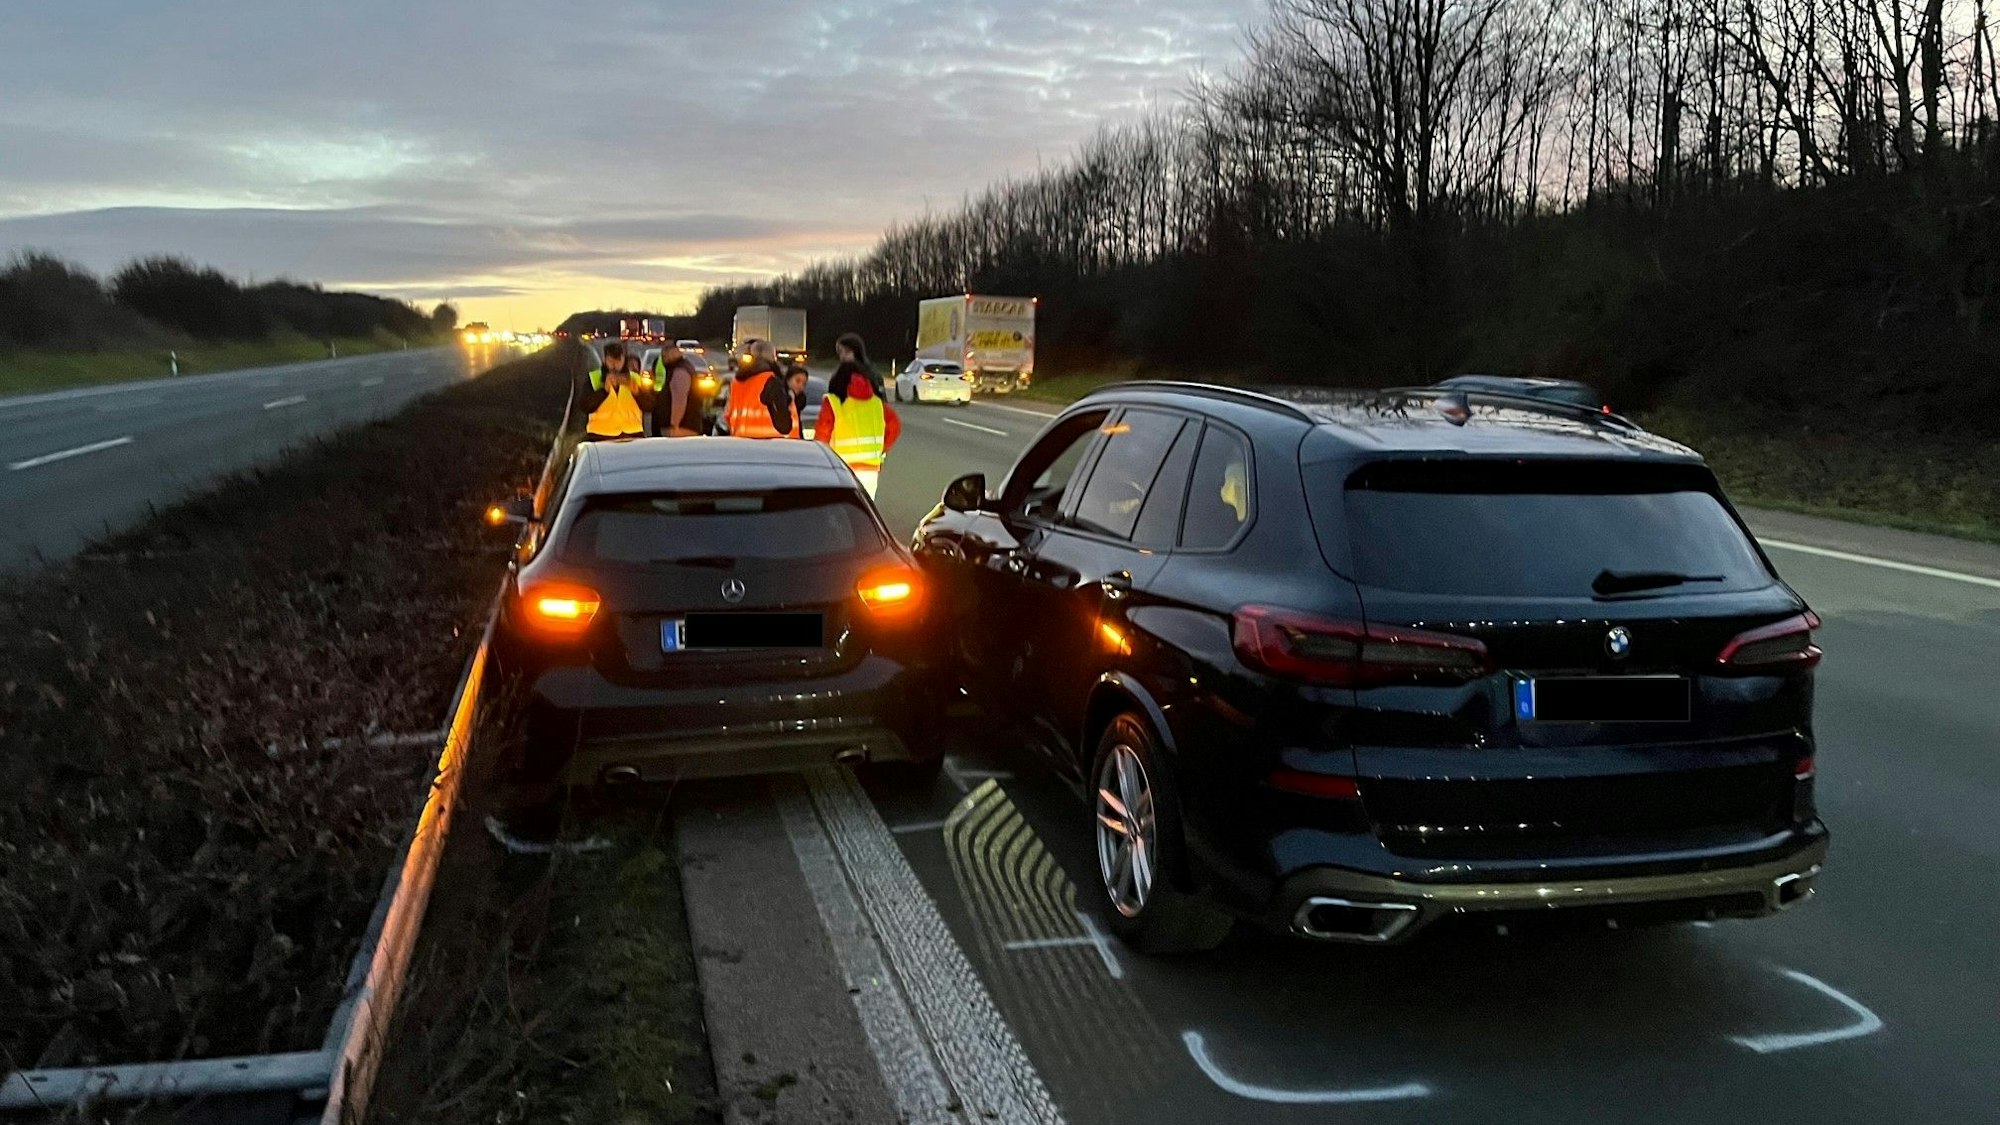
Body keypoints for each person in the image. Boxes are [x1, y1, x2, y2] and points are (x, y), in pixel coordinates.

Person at [815, 334, 900, 496]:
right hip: (870, 465)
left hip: (841, 465)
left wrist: (821, 459)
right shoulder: (875, 394)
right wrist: (879, 448)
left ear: (852, 351)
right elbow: (892, 423)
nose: (841, 356)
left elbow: (823, 432)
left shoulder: (835, 399)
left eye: (842, 352)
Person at [725, 338, 798, 438]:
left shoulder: (736, 382)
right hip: (770, 445)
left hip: (740, 443)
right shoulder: (772, 382)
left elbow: (727, 416)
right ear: (773, 358)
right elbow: (784, 425)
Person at [580, 342, 652, 441]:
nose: (614, 365)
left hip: (632, 435)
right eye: (611, 361)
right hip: (600, 435)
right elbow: (585, 406)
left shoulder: (635, 379)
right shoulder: (594, 378)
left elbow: (650, 406)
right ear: (604, 360)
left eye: (618, 361)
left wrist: (637, 393)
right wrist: (604, 391)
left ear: (624, 360)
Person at [648, 340, 703, 437]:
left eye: (664, 354)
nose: (663, 357)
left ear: (672, 352)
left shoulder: (679, 371)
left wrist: (674, 425)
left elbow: (679, 399)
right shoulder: (679, 368)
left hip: (681, 428)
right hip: (682, 427)